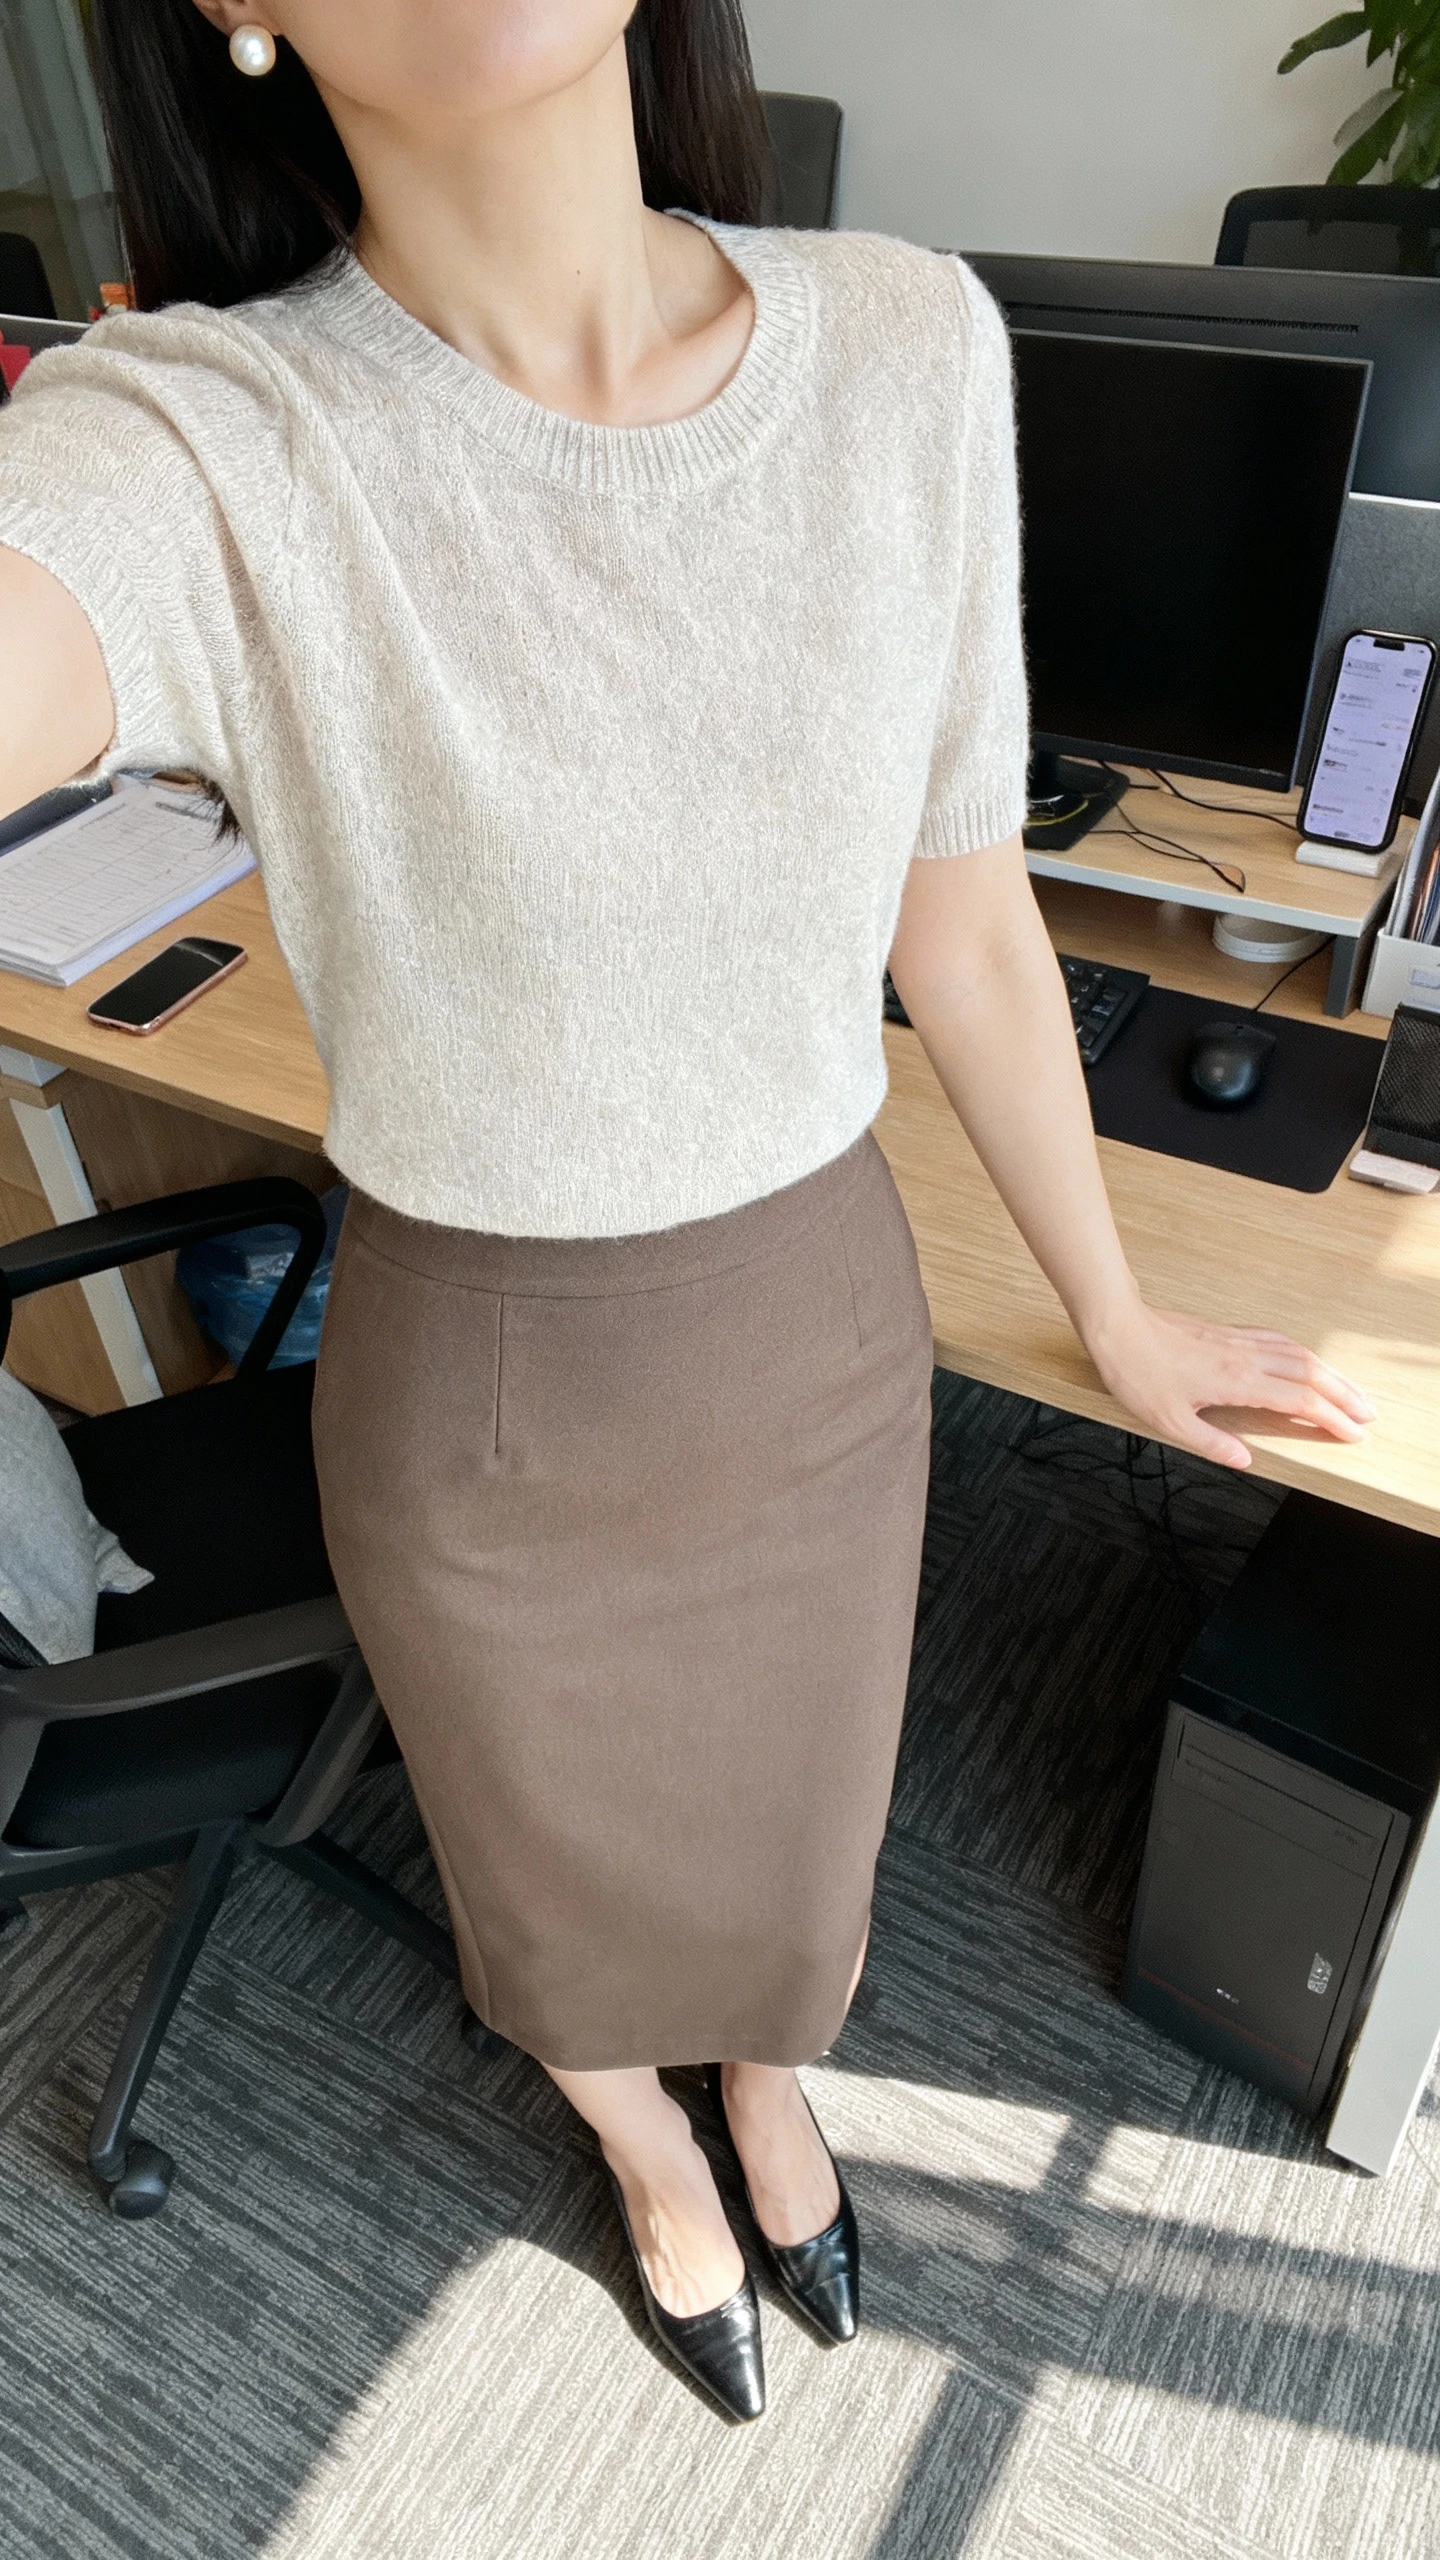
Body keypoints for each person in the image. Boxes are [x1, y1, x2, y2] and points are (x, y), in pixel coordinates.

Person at [0, 0, 1372, 2425]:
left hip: (819, 1332)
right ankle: (638, 2131)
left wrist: (1124, 1315)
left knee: (797, 1837)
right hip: (485, 1395)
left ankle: (764, 2073)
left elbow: (965, 925)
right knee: (547, 1865)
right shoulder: (201, 436)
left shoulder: (903, 340)